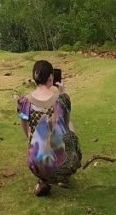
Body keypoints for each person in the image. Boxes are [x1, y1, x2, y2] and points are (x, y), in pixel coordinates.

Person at [16, 59, 82, 197]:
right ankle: (63, 177)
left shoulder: (24, 102)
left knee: (35, 137)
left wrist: (31, 136)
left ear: (34, 78)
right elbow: (66, 123)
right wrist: (62, 92)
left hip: (36, 164)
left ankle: (43, 181)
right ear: (51, 78)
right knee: (69, 126)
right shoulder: (62, 99)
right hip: (62, 164)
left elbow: (25, 127)